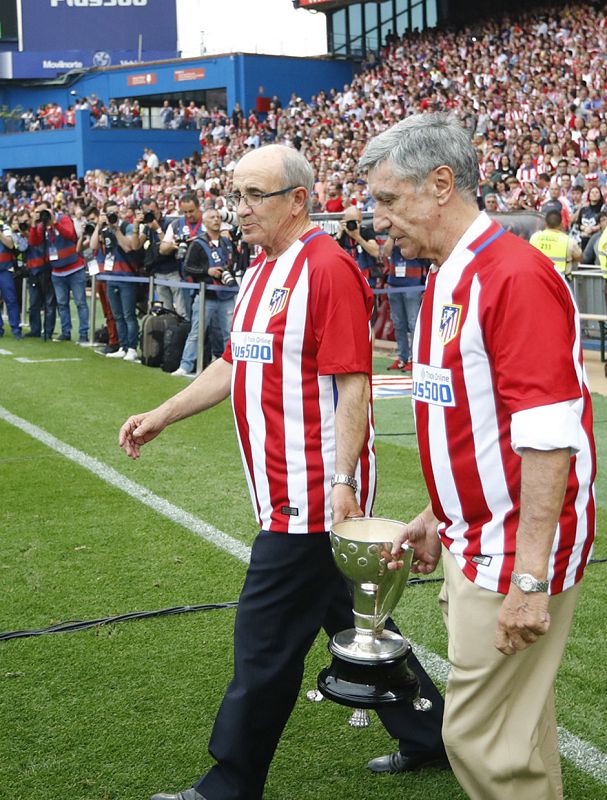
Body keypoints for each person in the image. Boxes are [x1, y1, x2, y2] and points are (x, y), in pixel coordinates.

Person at [119, 144, 446, 800]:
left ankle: (227, 785)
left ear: (297, 199)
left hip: (312, 493)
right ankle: (431, 736)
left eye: (253, 196)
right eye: (234, 195)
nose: (238, 210)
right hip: (283, 490)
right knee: (356, 622)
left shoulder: (325, 269)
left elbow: (354, 386)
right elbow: (232, 361)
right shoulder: (261, 269)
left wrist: (341, 484)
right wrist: (164, 412)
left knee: (262, 644)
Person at [359, 113, 596, 800]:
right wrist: (437, 514)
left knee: (478, 740)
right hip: (475, 535)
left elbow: (549, 435)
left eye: (387, 199)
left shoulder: (510, 277)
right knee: (512, 732)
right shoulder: (447, 276)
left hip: (509, 549)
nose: (378, 219)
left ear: (440, 184)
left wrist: (527, 580)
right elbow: (475, 425)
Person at [172, 208, 236, 377]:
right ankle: (185, 365)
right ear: (205, 222)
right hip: (206, 295)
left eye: (218, 217)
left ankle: (230, 369)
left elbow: (234, 262)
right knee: (196, 331)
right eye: (212, 217)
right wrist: (207, 271)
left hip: (226, 295)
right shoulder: (198, 243)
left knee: (228, 334)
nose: (216, 220)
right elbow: (187, 267)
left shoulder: (226, 242)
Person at [90, 201, 139, 361]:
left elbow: (128, 247)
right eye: (110, 213)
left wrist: (116, 229)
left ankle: (132, 348)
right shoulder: (104, 230)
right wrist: (99, 226)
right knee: (117, 315)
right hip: (111, 277)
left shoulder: (127, 227)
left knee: (128, 315)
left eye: (115, 212)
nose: (113, 216)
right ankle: (123, 346)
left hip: (127, 276)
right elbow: (93, 245)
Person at [383, 234, 428, 372]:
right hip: (394, 284)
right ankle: (402, 357)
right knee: (398, 324)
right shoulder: (392, 235)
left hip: (412, 285)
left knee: (413, 323)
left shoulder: (413, 232)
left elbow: (416, 252)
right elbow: (386, 252)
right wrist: (392, 236)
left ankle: (414, 359)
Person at [529, 210, 582, 280]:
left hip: (539, 279)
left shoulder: (534, 238)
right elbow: (579, 257)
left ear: (545, 224)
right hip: (561, 281)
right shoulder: (569, 241)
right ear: (561, 224)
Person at [334, 205, 380, 284]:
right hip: (347, 278)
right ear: (344, 221)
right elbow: (331, 254)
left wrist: (357, 237)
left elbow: (375, 252)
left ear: (360, 221)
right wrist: (339, 234)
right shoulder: (342, 234)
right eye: (349, 222)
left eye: (355, 222)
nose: (352, 225)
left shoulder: (366, 231)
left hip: (366, 279)